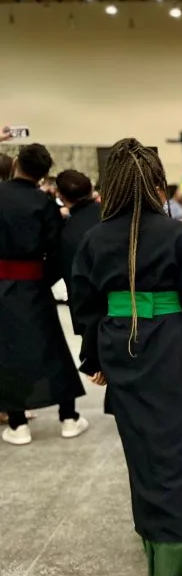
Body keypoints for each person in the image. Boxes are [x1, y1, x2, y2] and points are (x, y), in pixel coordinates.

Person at [71, 138, 182, 576]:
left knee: (145, 449)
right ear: (155, 183)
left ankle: (163, 551)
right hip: (174, 345)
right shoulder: (176, 234)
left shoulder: (93, 238)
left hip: (121, 346)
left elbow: (85, 305)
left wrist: (93, 357)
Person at [0, 143, 89, 446]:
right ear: (43, 175)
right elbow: (56, 249)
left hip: (3, 286)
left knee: (7, 352)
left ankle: (18, 423)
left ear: (16, 164)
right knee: (52, 348)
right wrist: (42, 277)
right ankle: (68, 417)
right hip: (35, 284)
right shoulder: (45, 203)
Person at [56, 170, 102, 335]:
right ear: (91, 190)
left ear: (61, 197)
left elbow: (71, 276)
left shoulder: (66, 232)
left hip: (90, 313)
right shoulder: (112, 213)